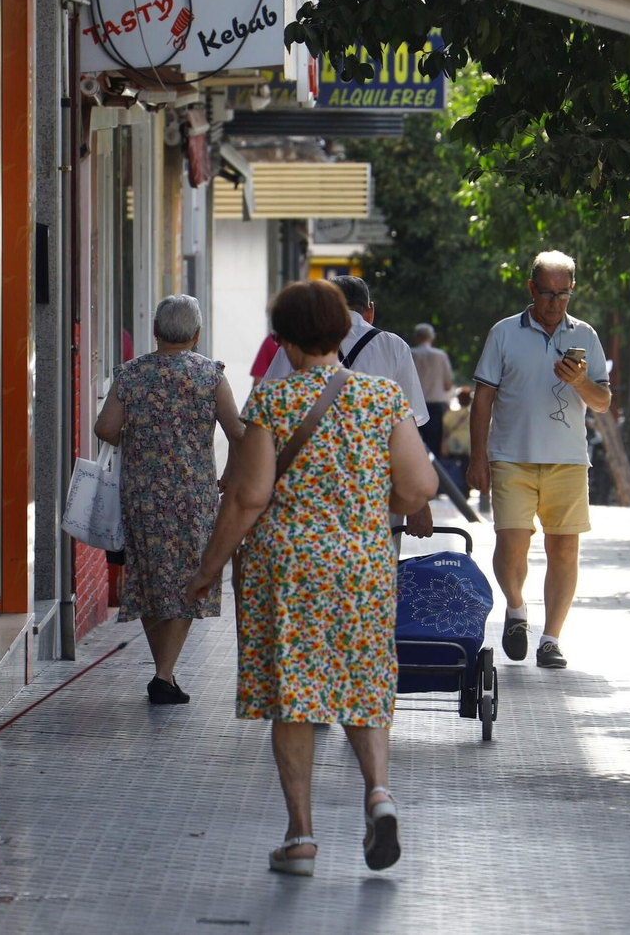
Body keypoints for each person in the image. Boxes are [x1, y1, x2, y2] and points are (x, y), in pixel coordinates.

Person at [187, 280, 437, 876]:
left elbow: (247, 497)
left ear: (289, 341)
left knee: (295, 698)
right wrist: (376, 501)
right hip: (362, 565)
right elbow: (421, 487)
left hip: (288, 569)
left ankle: (301, 837)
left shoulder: (273, 404)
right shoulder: (382, 399)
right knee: (363, 681)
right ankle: (378, 793)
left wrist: (209, 566)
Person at [95, 295, 245, 704]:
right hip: (193, 494)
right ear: (196, 335)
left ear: (155, 332)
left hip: (142, 492)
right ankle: (164, 674)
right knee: (188, 577)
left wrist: (141, 433)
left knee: (147, 575)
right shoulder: (210, 376)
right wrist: (229, 474)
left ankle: (164, 674)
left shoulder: (131, 374)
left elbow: (105, 428)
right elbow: (239, 433)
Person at [466, 251, 610, 670]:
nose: (554, 303)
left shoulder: (587, 336)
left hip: (568, 461)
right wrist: (479, 458)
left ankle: (551, 639)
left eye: (563, 294)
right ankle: (515, 610)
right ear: (531, 289)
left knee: (564, 549)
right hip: (512, 457)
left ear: (572, 291)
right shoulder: (505, 333)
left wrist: (580, 380)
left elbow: (602, 403)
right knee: (512, 543)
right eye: (547, 293)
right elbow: (483, 400)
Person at [260, 274, 434, 538]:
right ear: (370, 311)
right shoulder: (393, 347)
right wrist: (419, 504)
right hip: (375, 485)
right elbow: (410, 424)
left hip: (305, 487)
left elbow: (267, 420)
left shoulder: (295, 347)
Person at [409, 322, 454, 458]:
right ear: (431, 338)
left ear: (416, 338)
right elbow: (448, 385)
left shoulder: (410, 353)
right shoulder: (441, 356)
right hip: (436, 407)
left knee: (412, 447)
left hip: (413, 406)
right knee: (433, 448)